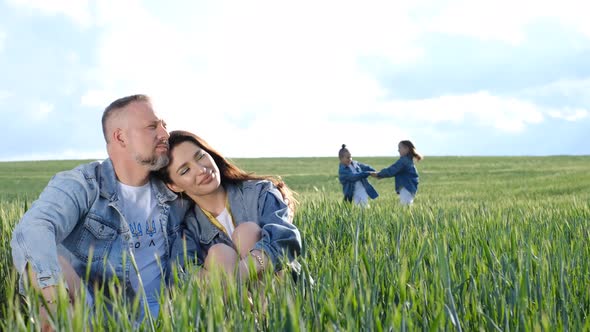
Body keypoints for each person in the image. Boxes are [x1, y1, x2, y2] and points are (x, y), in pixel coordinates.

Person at [10, 94, 189, 327]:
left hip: (172, 316)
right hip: (96, 317)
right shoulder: (84, 183)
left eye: (165, 125)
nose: (165, 134)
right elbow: (33, 229)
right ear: (120, 137)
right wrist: (55, 299)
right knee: (46, 265)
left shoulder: (176, 189)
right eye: (152, 126)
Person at [155, 130, 302, 282]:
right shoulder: (189, 228)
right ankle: (251, 303)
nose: (201, 170)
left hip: (285, 289)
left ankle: (265, 302)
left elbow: (284, 238)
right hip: (233, 300)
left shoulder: (260, 192)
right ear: (174, 186)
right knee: (219, 253)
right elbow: (182, 273)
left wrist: (237, 275)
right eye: (185, 170)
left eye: (200, 156)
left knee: (247, 232)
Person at [372, 140, 422, 205]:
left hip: (406, 187)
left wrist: (378, 174)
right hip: (409, 187)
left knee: (405, 207)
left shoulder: (404, 160)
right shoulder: (408, 160)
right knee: (406, 206)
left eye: (400, 148)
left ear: (406, 149)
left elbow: (392, 170)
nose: (398, 150)